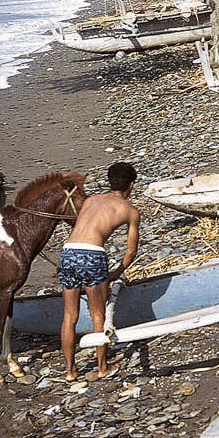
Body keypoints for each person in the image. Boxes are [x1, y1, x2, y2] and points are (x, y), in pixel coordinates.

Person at [59, 162, 140, 381]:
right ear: (131, 185)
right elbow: (131, 251)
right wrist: (117, 272)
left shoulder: (90, 200)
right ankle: (102, 367)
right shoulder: (129, 210)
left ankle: (70, 371)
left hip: (67, 252)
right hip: (92, 254)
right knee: (98, 314)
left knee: (69, 315)